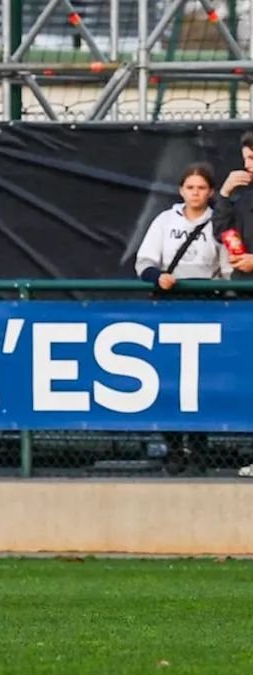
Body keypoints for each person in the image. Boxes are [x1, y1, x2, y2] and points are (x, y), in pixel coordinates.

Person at [135, 163, 228, 474]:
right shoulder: (164, 220)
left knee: (201, 382)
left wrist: (221, 288)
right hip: (171, 304)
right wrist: (157, 277)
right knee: (171, 379)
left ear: (211, 191)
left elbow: (227, 267)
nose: (196, 193)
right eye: (190, 187)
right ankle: (174, 449)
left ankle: (200, 451)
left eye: (201, 188)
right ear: (181, 190)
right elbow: (145, 261)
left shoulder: (219, 221)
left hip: (206, 306)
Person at [213, 129, 253, 281]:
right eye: (245, 159)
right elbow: (223, 233)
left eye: (251, 157)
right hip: (246, 292)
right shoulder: (246, 200)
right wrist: (224, 194)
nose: (247, 165)